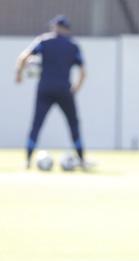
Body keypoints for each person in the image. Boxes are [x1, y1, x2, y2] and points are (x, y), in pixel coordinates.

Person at [15, 15, 89, 170]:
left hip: (45, 89)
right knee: (73, 124)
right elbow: (83, 72)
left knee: (37, 124)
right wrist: (76, 88)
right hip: (64, 89)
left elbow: (23, 57)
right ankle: (82, 160)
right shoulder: (72, 46)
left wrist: (19, 74)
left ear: (58, 28)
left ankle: (27, 161)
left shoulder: (44, 41)